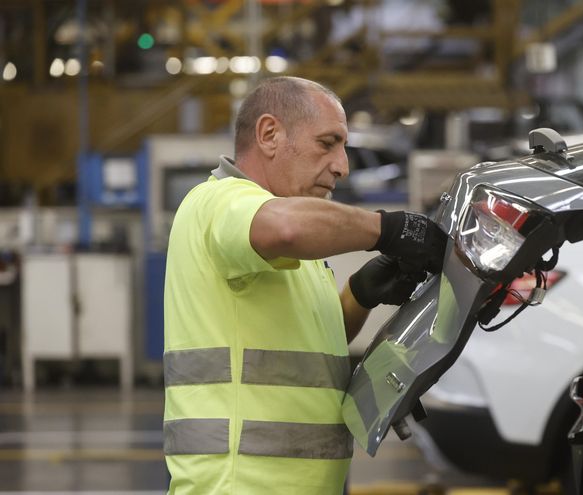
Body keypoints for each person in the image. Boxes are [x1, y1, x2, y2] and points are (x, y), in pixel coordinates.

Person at [162, 76, 446, 494]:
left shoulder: (285, 242)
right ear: (269, 134)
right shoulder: (219, 202)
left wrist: (360, 294)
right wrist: (387, 228)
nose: (342, 165)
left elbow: (317, 342)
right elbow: (287, 227)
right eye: (327, 143)